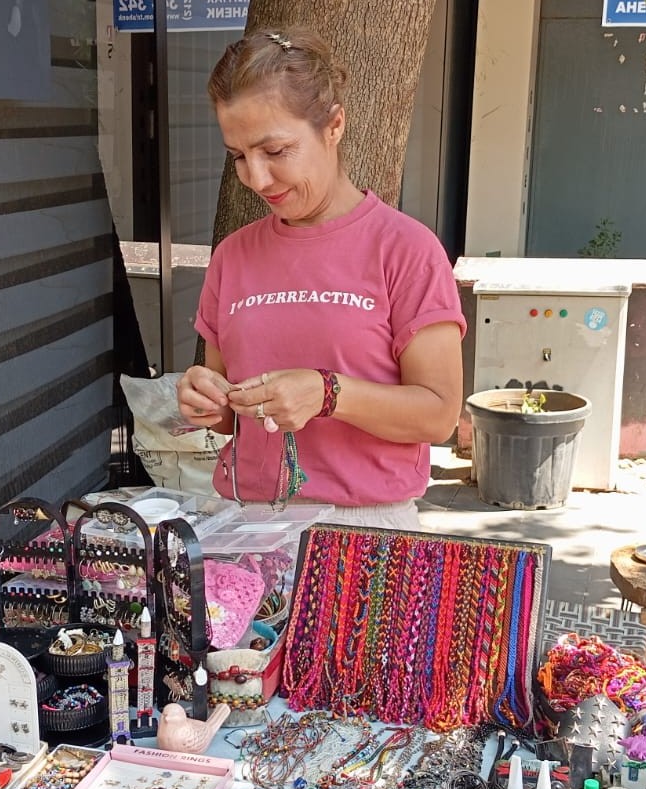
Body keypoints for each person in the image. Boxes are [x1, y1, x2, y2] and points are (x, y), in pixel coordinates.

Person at [176, 27, 465, 530]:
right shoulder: (232, 256)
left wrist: (328, 394)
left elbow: (439, 414)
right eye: (238, 156)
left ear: (334, 126)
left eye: (275, 150)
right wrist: (204, 398)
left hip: (365, 528)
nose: (256, 178)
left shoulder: (406, 250)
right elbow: (227, 417)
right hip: (244, 525)